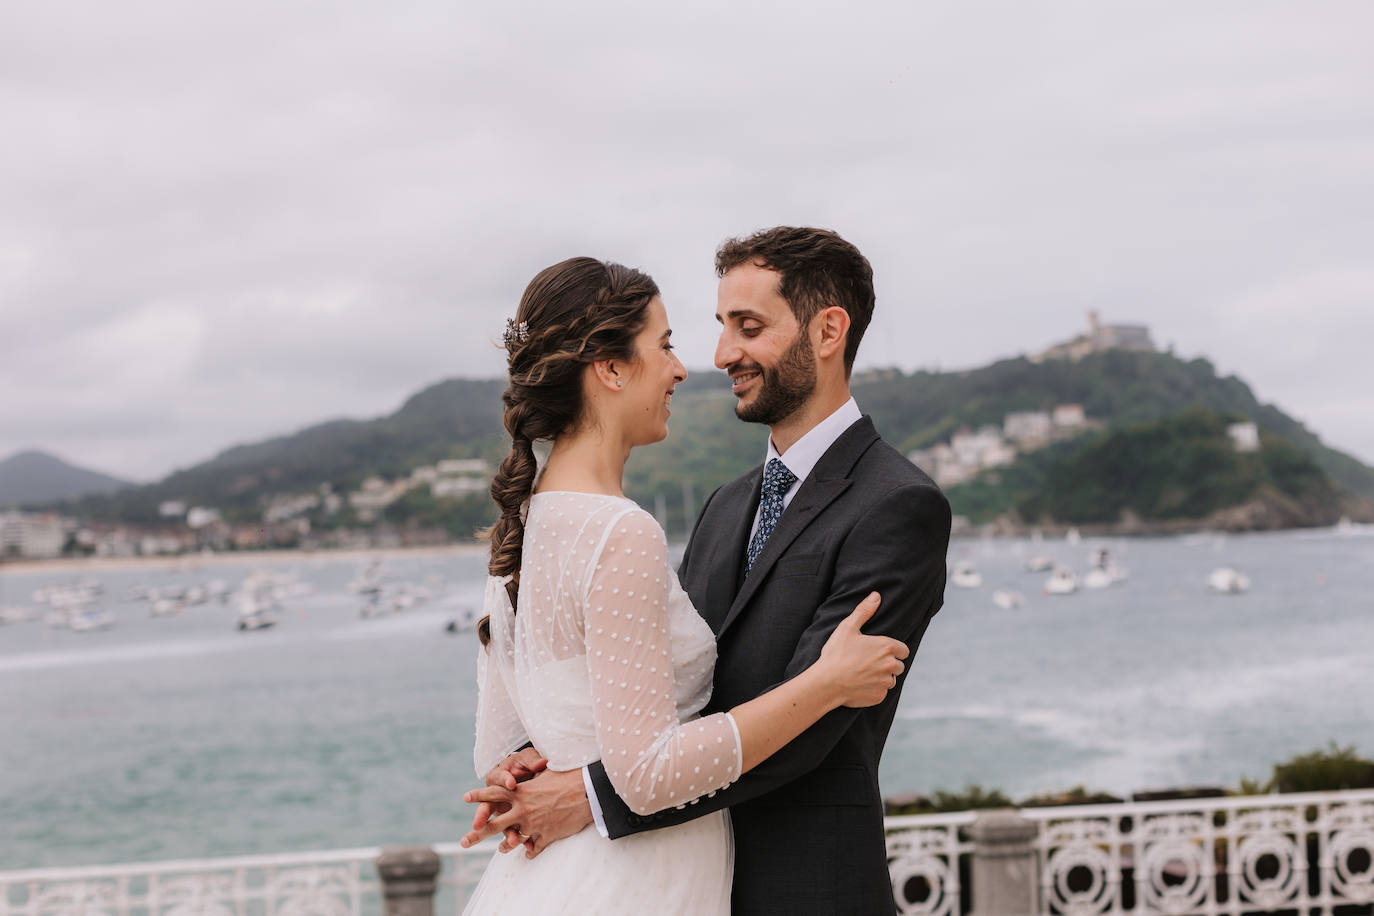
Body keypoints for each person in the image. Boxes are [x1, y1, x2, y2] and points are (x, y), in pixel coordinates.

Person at [465, 228, 953, 915]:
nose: (721, 355)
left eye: (747, 327)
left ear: (828, 331)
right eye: (718, 328)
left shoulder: (899, 505)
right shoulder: (723, 506)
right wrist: (530, 758)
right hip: (663, 879)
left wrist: (588, 794)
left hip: (801, 888)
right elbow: (648, 692)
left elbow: (814, 728)